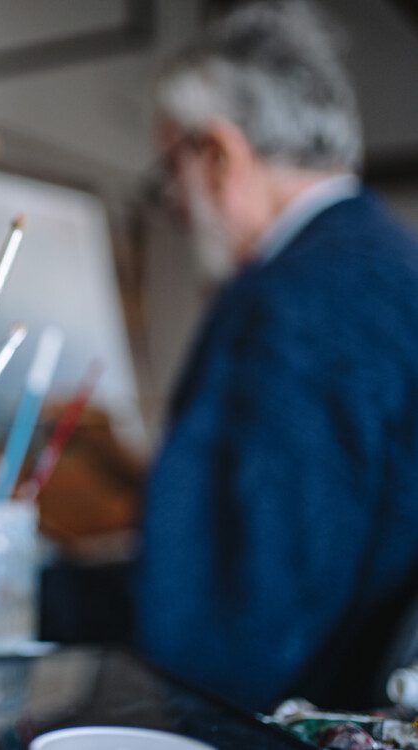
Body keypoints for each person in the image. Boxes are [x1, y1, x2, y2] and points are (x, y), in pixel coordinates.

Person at [138, 1, 418, 711]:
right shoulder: (391, 262)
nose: (175, 203)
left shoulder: (283, 302)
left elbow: (235, 617)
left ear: (219, 154)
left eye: (171, 171)